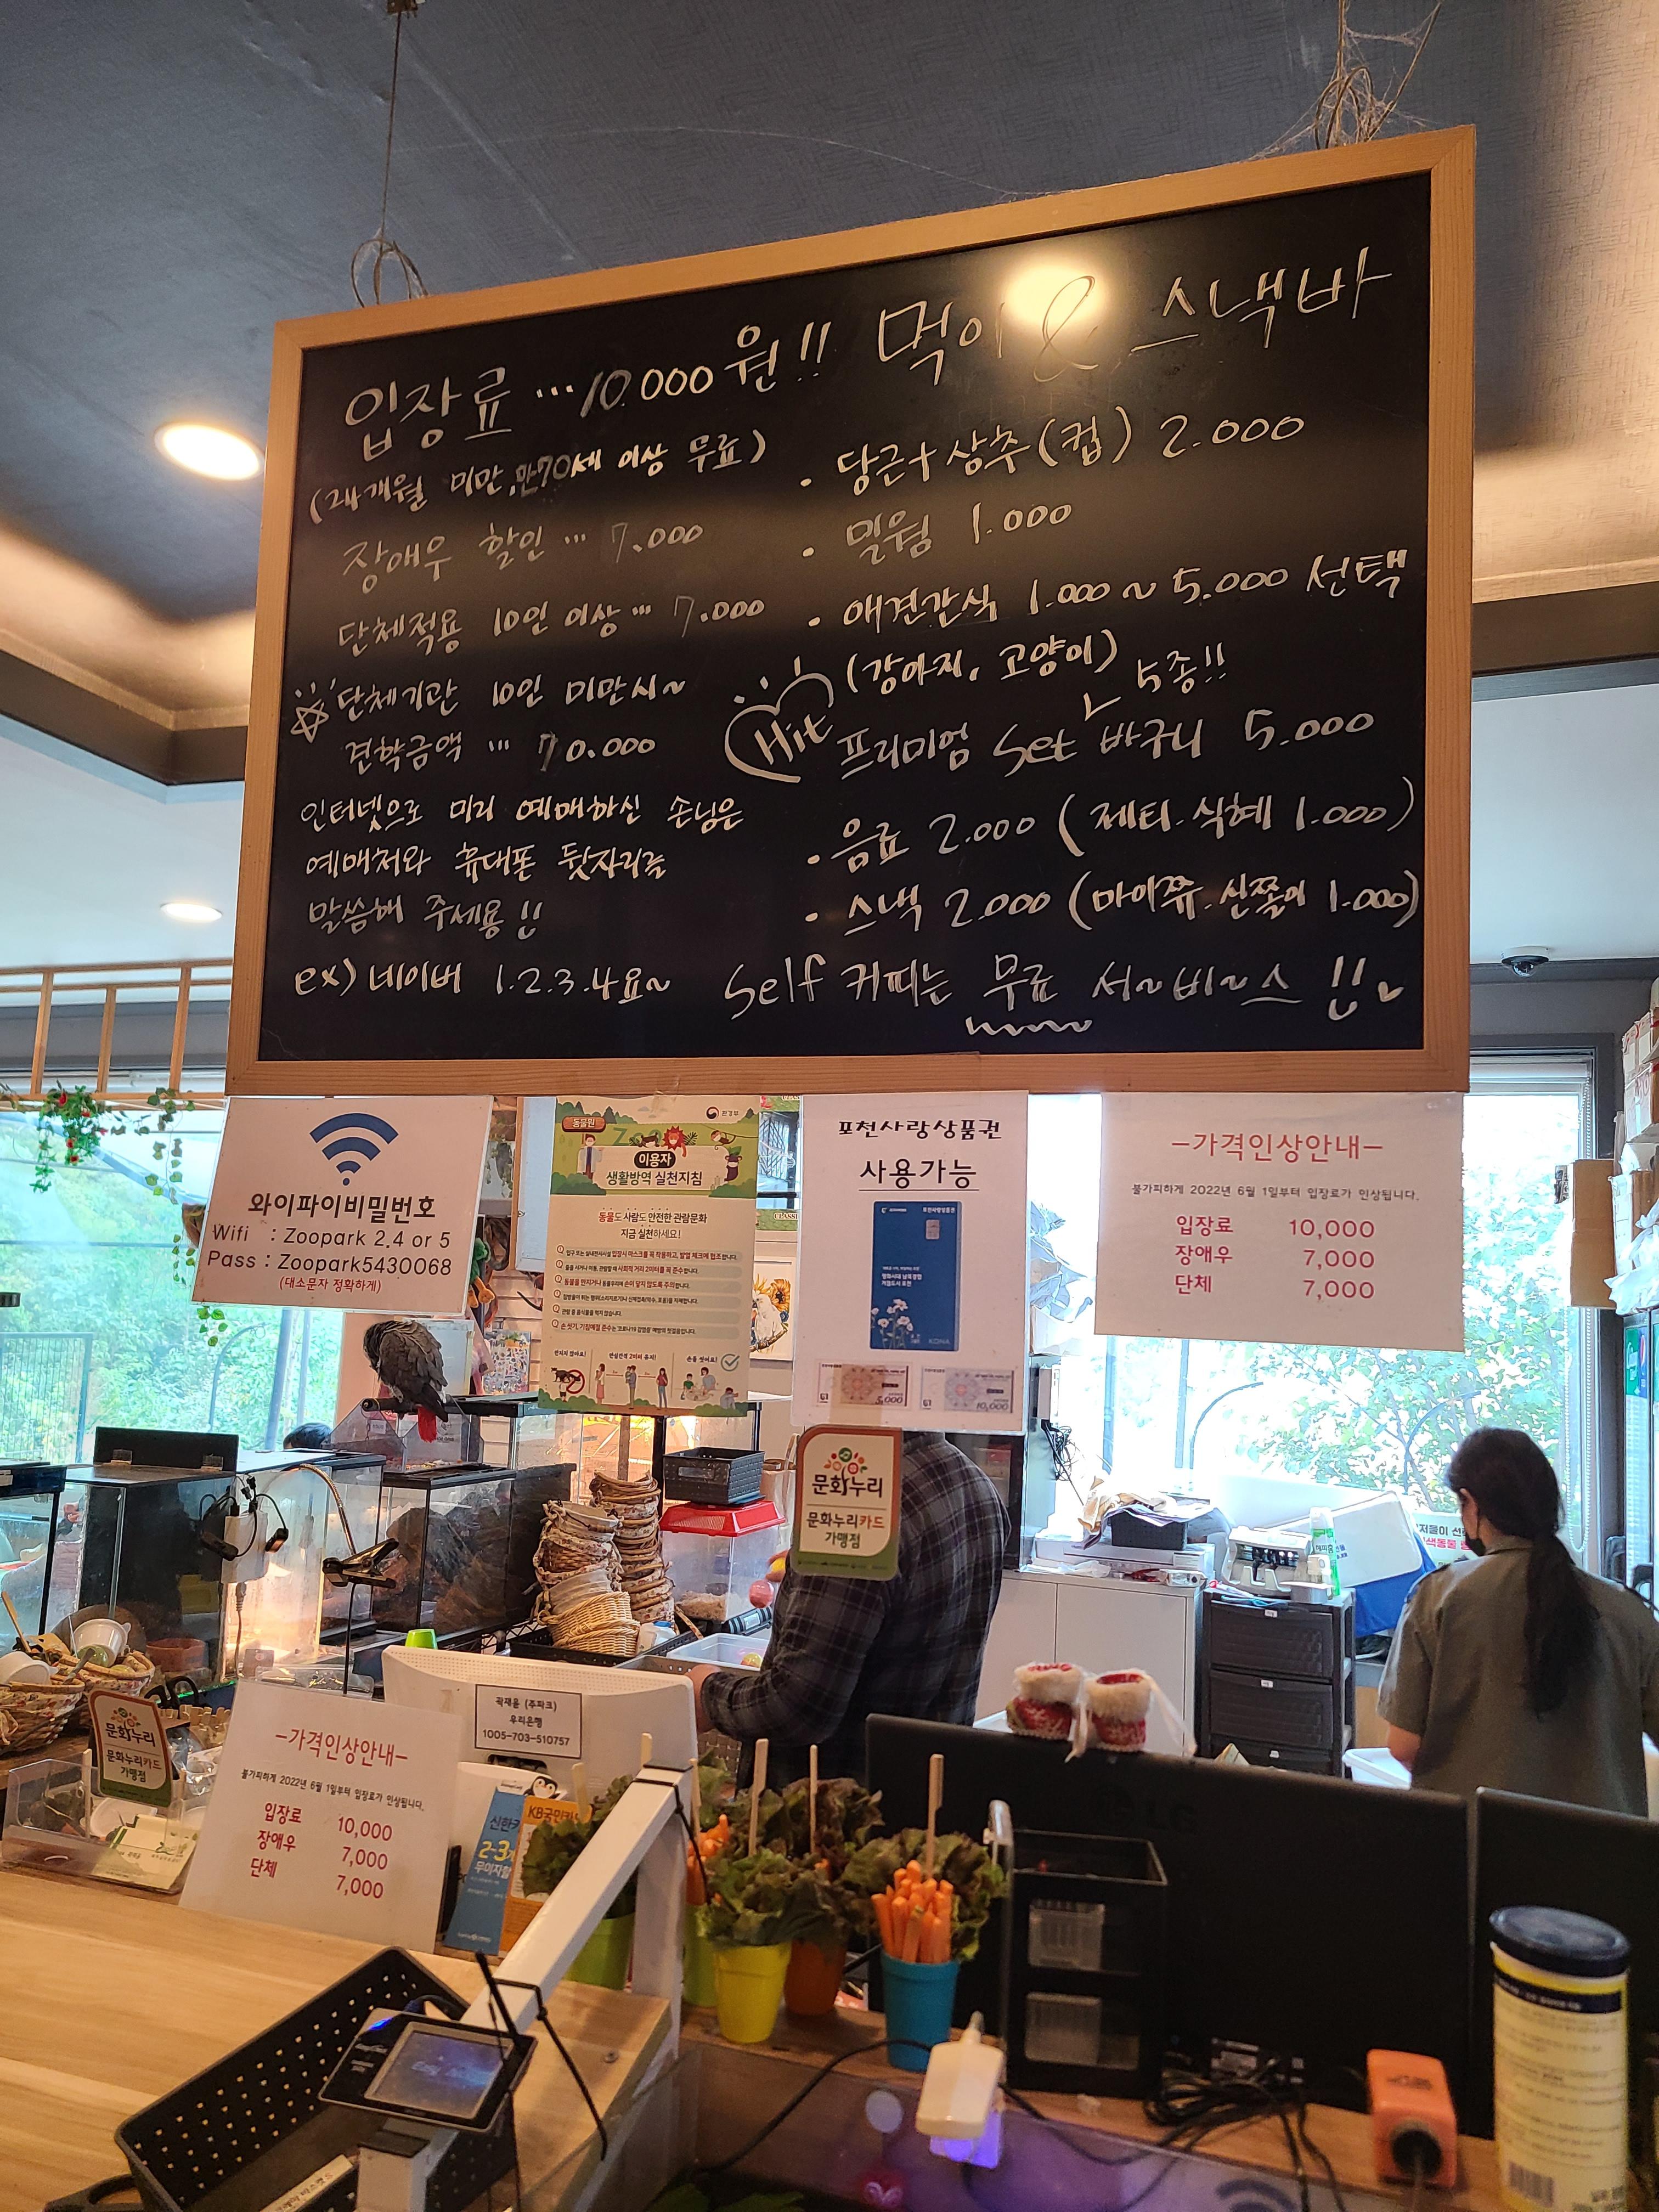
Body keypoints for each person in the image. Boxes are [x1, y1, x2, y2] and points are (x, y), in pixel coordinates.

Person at [693, 1430, 1009, 1786]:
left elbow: (796, 1708)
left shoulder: (857, 1506)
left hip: (835, 1805)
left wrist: (707, 1693)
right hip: (926, 1793)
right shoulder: (974, 1482)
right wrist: (814, 1577)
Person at [1380, 1427, 1659, 1814]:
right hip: (1599, 1848)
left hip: (1475, 1839)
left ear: (1470, 1503)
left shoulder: (1439, 1598)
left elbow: (1403, 1745)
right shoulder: (1629, 1612)